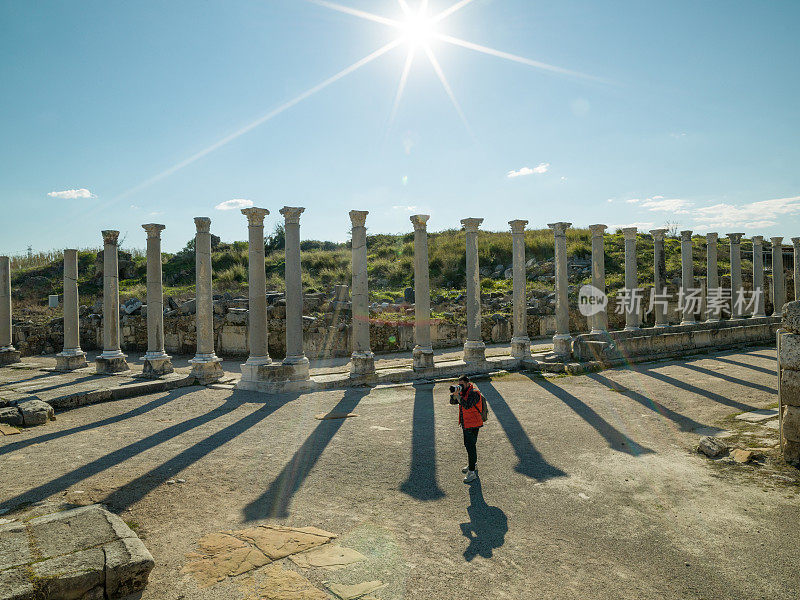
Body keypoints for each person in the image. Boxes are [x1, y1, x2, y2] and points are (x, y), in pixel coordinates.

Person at [450, 374, 484, 483]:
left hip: (473, 423)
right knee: (469, 445)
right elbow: (452, 402)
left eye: (461, 384)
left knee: (470, 446)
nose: (460, 386)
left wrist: (459, 395)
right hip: (466, 423)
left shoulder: (474, 393)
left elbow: (467, 405)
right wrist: (454, 394)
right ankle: (472, 465)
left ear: (467, 383)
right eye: (458, 384)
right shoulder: (463, 392)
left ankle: (472, 472)